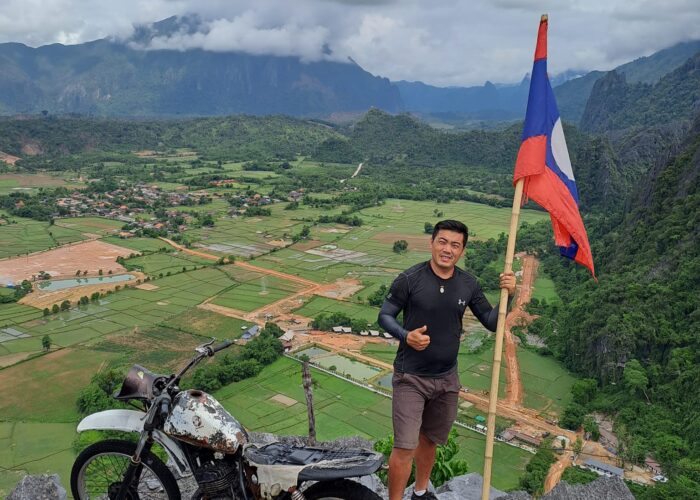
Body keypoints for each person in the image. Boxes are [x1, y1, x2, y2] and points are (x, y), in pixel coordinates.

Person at [378, 219, 516, 500]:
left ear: (462, 250)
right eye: (442, 242)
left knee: (430, 440)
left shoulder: (468, 284)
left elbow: (491, 321)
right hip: (411, 377)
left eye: (455, 245)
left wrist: (508, 296)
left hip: (447, 378)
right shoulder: (410, 279)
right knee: (405, 446)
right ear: (432, 243)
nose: (447, 249)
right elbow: (384, 315)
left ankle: (420, 491)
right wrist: (406, 336)